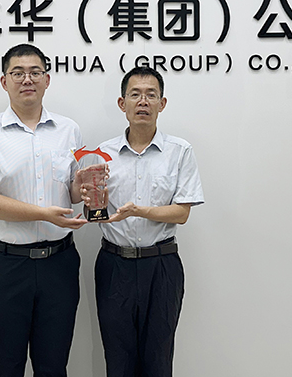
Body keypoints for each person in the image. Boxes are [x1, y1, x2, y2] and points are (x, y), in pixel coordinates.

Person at [0, 43, 88, 377]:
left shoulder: (68, 129)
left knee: (53, 366)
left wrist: (84, 187)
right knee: (5, 366)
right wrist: (42, 213)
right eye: (17, 73)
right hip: (5, 266)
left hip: (59, 263)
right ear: (4, 81)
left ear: (47, 79)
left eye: (35, 72)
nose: (27, 79)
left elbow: (71, 192)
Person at [82, 66, 204, 377]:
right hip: (114, 266)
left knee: (158, 360)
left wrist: (139, 211)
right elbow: (95, 212)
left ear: (162, 104)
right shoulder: (103, 153)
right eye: (135, 94)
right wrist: (90, 202)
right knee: (118, 359)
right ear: (122, 103)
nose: (143, 102)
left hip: (161, 266)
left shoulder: (179, 151)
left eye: (151, 95)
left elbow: (182, 213)